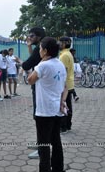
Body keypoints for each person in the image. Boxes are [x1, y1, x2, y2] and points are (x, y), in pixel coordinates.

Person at [27, 37, 67, 172]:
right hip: (57, 110)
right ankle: (58, 168)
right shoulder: (59, 64)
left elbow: (30, 80)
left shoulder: (43, 65)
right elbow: (64, 86)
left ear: (45, 51)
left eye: (40, 49)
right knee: (56, 141)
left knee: (43, 145)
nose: (39, 51)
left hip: (44, 112)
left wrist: (40, 63)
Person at [21, 27, 45, 159]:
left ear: (39, 36)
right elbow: (33, 59)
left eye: (32, 35)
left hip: (40, 87)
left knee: (39, 118)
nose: (29, 37)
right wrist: (30, 47)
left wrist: (21, 63)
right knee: (39, 117)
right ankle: (41, 144)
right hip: (40, 87)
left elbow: (27, 64)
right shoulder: (40, 48)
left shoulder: (40, 48)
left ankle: (43, 149)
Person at [59, 37, 75, 134]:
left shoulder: (64, 55)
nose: (58, 44)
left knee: (63, 105)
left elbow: (63, 71)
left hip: (65, 84)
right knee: (68, 105)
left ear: (64, 43)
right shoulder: (68, 54)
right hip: (69, 83)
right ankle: (68, 125)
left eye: (60, 42)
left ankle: (63, 127)